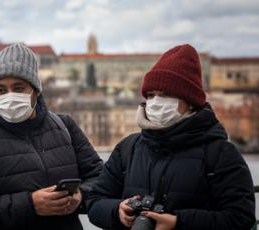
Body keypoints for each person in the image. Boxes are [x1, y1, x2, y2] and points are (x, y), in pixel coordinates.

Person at [87, 44, 255, 230]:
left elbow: (241, 218)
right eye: (151, 95)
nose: (156, 102)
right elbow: (95, 201)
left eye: (166, 94)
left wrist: (178, 223)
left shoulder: (221, 153)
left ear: (190, 102)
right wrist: (117, 211)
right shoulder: (128, 148)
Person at [0, 43, 103, 230]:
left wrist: (80, 196)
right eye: (1, 90)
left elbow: (100, 178)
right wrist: (31, 205)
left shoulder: (65, 127)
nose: (10, 96)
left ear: (36, 91)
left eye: (18, 87)